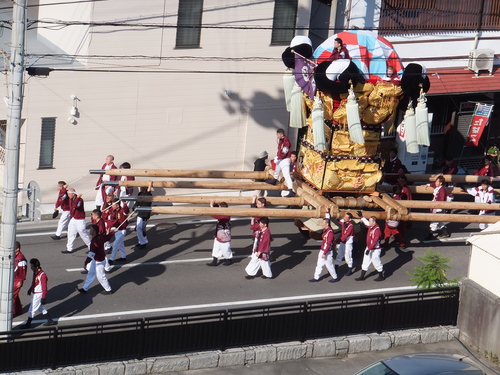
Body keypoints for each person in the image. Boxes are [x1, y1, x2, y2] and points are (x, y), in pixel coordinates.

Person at [76, 225, 113, 295]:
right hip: (97, 260)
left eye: (91, 229)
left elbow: (91, 255)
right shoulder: (100, 236)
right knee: (91, 274)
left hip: (99, 262)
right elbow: (108, 237)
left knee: (101, 277)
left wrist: (86, 263)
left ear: (94, 231)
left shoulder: (94, 242)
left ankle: (108, 289)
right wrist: (114, 231)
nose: (89, 231)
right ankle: (85, 288)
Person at [20, 259, 57, 328]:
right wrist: (30, 289)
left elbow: (44, 288)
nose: (31, 268)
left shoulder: (42, 275)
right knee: (40, 307)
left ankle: (28, 324)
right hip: (35, 293)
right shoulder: (35, 272)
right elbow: (34, 282)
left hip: (38, 294)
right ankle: (50, 320)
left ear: (36, 267)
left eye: (32, 266)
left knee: (32, 309)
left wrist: (43, 297)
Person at [308, 209, 339, 283]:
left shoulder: (329, 233)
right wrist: (327, 212)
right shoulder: (326, 230)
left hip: (327, 252)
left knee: (329, 265)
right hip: (323, 250)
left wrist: (324, 253)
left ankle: (335, 277)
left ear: (327, 224)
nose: (322, 224)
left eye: (323, 223)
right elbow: (328, 219)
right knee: (319, 264)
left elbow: (328, 244)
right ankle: (316, 277)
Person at [355, 212, 384, 282]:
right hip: (369, 248)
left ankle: (381, 276)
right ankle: (362, 276)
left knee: (376, 262)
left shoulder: (377, 230)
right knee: (365, 261)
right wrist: (361, 216)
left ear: (374, 222)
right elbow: (366, 223)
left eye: (370, 221)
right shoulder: (371, 227)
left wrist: (369, 249)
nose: (369, 222)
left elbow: (375, 241)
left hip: (375, 250)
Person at [266, 128, 295, 197]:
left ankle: (290, 189)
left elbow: (284, 152)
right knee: (277, 170)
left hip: (285, 159)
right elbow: (279, 150)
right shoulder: (281, 140)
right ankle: (275, 180)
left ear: (281, 134)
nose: (276, 135)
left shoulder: (286, 141)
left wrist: (279, 157)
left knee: (286, 175)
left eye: (277, 134)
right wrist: (278, 157)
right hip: (281, 159)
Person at [64, 188, 91, 254]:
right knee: (70, 233)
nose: (68, 195)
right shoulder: (70, 199)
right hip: (73, 218)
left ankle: (91, 247)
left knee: (82, 233)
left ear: (73, 194)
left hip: (80, 219)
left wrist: (78, 198)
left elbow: (75, 206)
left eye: (69, 194)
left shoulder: (80, 200)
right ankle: (69, 248)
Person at [206, 200, 233, 266]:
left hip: (224, 235)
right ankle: (214, 261)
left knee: (225, 248)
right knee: (216, 247)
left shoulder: (226, 215)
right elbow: (217, 208)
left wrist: (211, 206)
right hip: (218, 233)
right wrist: (214, 204)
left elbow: (214, 215)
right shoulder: (222, 212)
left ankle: (229, 259)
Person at [424, 175, 449, 240]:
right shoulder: (439, 188)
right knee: (439, 221)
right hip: (435, 207)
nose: (436, 183)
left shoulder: (442, 190)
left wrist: (438, 209)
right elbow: (433, 185)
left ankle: (430, 235)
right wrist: (427, 185)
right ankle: (445, 233)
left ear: (441, 183)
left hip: (438, 209)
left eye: (437, 181)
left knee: (434, 221)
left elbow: (441, 200)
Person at [107, 198, 129, 265]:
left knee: (116, 244)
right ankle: (123, 256)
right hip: (116, 230)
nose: (112, 206)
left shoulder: (123, 210)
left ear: (117, 205)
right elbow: (111, 221)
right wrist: (108, 228)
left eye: (114, 205)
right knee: (120, 244)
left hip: (122, 230)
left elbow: (126, 211)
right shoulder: (113, 211)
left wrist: (125, 204)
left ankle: (111, 259)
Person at [334, 212, 355, 276]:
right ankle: (335, 269)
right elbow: (339, 220)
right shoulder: (344, 222)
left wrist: (337, 240)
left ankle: (350, 270)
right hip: (343, 243)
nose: (344, 218)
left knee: (348, 257)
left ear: (350, 219)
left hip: (348, 244)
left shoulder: (351, 226)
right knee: (339, 255)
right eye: (344, 217)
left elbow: (346, 235)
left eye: (346, 217)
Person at [134, 180, 153, 249]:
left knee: (140, 228)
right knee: (139, 228)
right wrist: (134, 208)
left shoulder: (149, 195)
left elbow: (148, 193)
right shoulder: (140, 194)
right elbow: (137, 202)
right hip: (140, 213)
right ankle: (141, 241)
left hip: (145, 214)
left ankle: (143, 242)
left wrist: (150, 185)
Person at [13, 241, 27, 317]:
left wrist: (20, 281)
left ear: (17, 249)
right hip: (14, 279)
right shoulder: (15, 256)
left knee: (11, 297)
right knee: (15, 295)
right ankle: (19, 310)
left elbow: (22, 272)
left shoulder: (21, 260)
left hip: (17, 281)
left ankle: (10, 313)